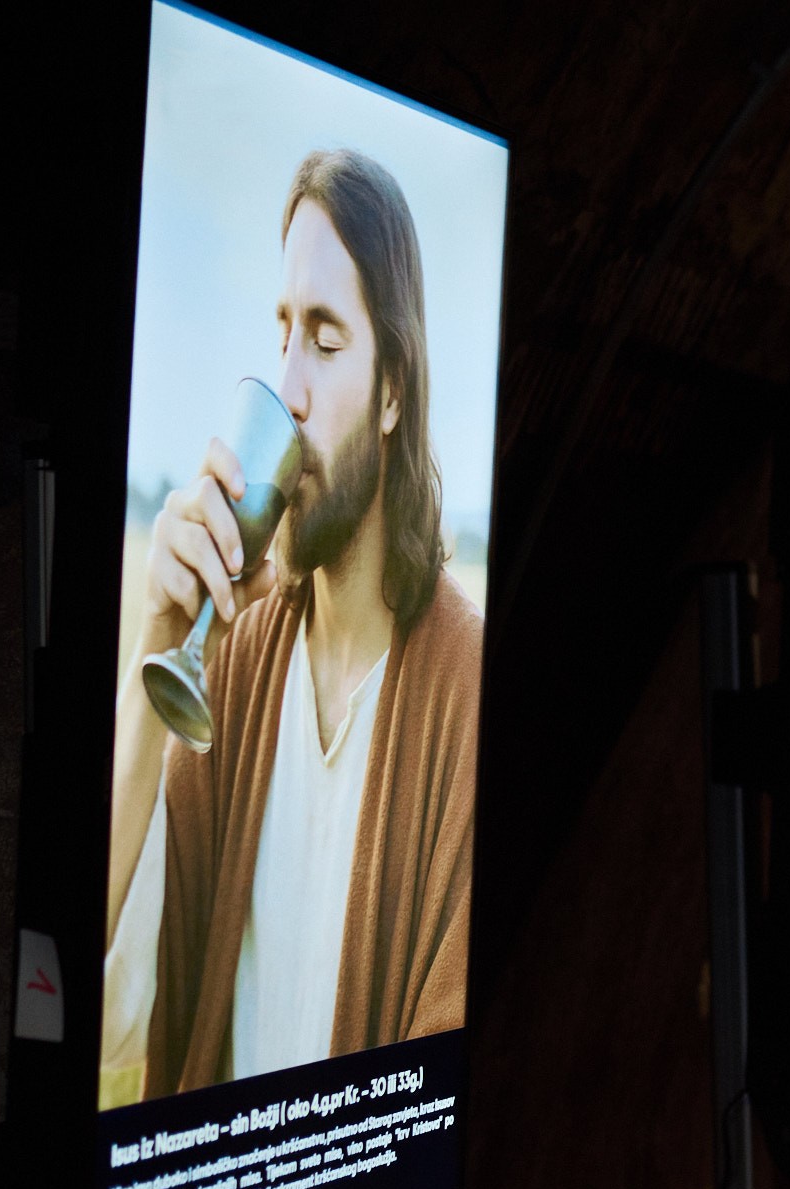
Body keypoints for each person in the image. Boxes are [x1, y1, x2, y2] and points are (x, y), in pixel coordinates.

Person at [102, 149, 479, 1106]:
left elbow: (446, 1101)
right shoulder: (236, 664)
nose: (288, 391)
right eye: (282, 336)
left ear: (393, 393)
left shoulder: (466, 691)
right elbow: (104, 1015)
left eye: (325, 339)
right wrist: (158, 647)